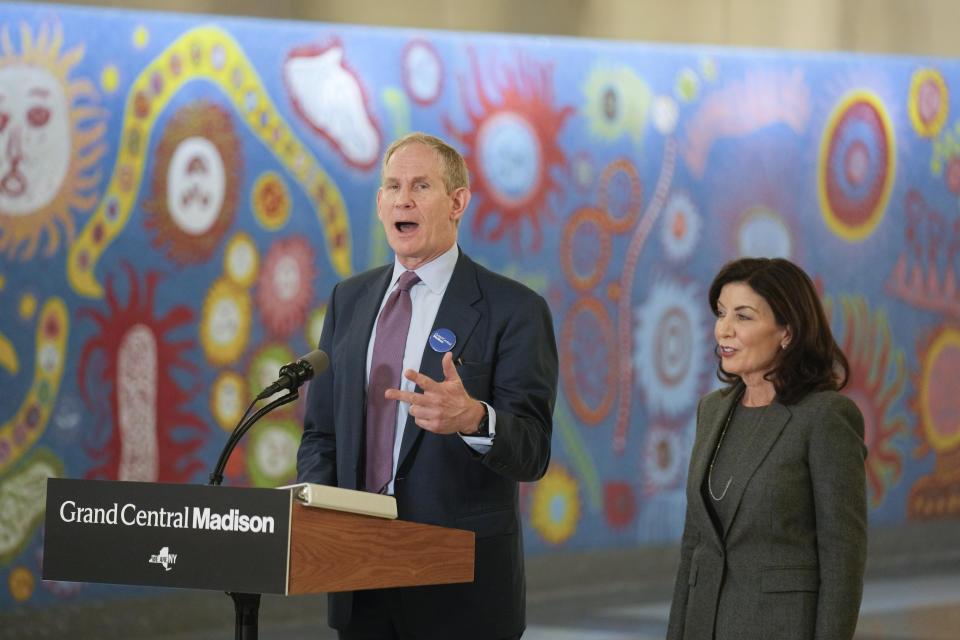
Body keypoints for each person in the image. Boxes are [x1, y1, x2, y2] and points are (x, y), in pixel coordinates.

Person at [296, 132, 558, 640]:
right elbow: (321, 433)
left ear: (457, 202)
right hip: (360, 578)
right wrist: (322, 513)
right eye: (392, 186)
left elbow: (534, 450)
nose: (403, 199)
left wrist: (476, 420)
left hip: (460, 589)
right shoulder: (348, 299)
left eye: (421, 185)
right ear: (379, 204)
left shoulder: (514, 310)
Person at [666, 257, 867, 640]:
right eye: (721, 313)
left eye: (743, 317)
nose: (724, 330)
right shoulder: (712, 411)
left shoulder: (825, 417)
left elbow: (843, 558)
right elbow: (695, 546)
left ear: (786, 332)